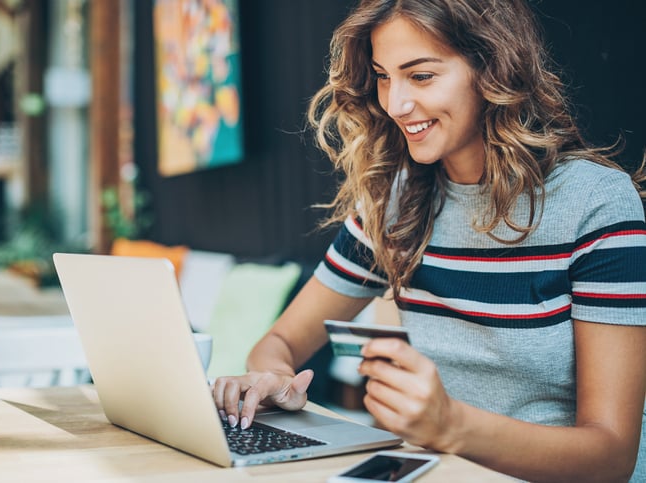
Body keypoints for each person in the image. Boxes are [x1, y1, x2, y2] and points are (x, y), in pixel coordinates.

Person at [212, 0, 646, 481]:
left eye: (420, 76)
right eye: (383, 76)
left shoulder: (596, 203)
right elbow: (279, 341)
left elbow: (612, 457)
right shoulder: (393, 204)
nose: (395, 103)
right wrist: (274, 376)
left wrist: (452, 425)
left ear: (491, 69)